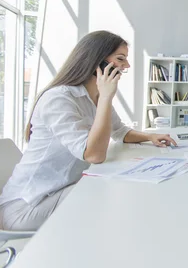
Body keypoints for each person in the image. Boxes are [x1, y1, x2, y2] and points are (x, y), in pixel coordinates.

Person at [0, 30, 177, 231]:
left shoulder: (96, 96)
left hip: (61, 190)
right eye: (120, 59)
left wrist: (150, 136)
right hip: (26, 206)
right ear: (97, 61)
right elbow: (94, 155)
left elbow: (120, 132)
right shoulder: (59, 99)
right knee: (109, 193)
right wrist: (105, 98)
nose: (126, 66)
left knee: (111, 188)